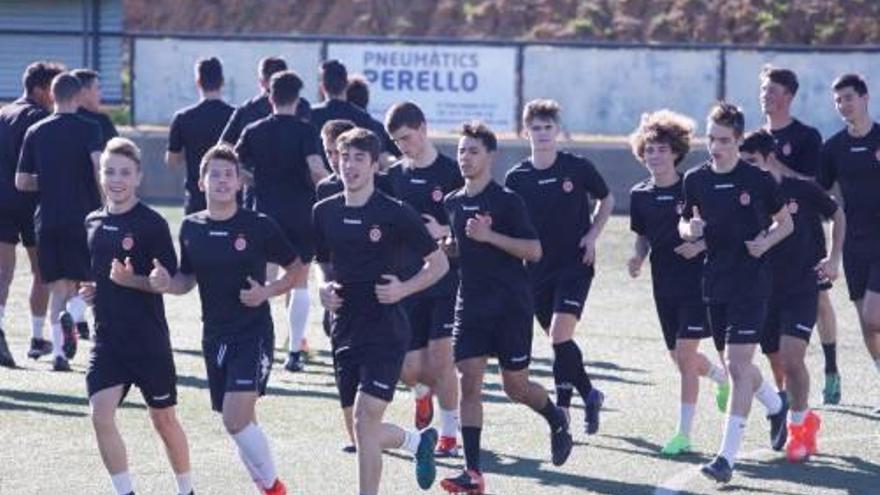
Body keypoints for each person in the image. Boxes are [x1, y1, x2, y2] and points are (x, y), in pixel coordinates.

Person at [149, 145, 299, 495]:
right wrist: (166, 284)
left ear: (239, 183)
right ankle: (266, 487)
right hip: (214, 336)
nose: (221, 180)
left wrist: (267, 291)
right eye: (213, 174)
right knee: (242, 421)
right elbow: (186, 278)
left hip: (253, 333)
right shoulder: (190, 227)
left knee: (235, 420)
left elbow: (296, 268)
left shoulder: (258, 225)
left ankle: (276, 488)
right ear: (201, 182)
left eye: (227, 175)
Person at [440, 121, 572, 495]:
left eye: (473, 151)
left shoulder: (507, 201)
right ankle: (473, 474)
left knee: (515, 387)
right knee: (469, 383)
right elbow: (462, 250)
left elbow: (534, 251)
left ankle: (555, 416)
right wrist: (452, 248)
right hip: (471, 305)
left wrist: (489, 236)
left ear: (491, 157)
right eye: (461, 150)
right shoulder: (452, 202)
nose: (465, 157)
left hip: (511, 305)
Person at [313, 127, 447, 495]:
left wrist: (403, 288)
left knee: (364, 419)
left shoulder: (395, 213)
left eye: (359, 158)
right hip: (344, 328)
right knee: (360, 431)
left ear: (374, 165)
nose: (351, 165)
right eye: (345, 157)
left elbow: (438, 265)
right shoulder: (323, 211)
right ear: (335, 161)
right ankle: (417, 442)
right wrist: (323, 288)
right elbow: (322, 264)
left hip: (386, 329)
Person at [679, 103, 793, 483]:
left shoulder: (758, 181)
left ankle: (726, 458)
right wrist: (689, 230)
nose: (716, 147)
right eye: (711, 138)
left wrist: (767, 243)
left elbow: (785, 223)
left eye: (724, 140)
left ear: (739, 140)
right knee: (734, 368)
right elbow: (684, 222)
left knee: (740, 366)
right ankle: (777, 406)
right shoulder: (695, 179)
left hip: (752, 283)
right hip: (716, 282)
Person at [81, 137, 194, 495]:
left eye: (125, 173)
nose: (117, 179)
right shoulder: (92, 222)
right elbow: (98, 276)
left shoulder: (152, 224)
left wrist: (142, 281)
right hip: (108, 340)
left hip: (148, 342)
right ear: (101, 176)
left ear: (138, 177)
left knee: (163, 420)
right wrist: (92, 292)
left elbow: (170, 279)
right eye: (110, 171)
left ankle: (186, 489)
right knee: (101, 414)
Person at [627, 110, 729, 456]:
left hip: (698, 283)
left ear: (676, 152)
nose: (654, 155)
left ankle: (683, 433)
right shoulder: (639, 194)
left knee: (685, 356)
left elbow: (720, 231)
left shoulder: (693, 187)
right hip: (663, 285)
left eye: (661, 149)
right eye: (649, 150)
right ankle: (719, 376)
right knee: (678, 357)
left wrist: (699, 245)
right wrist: (638, 257)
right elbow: (642, 237)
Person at [504, 99, 610, 433]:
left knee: (560, 335)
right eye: (536, 128)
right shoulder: (516, 177)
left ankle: (562, 410)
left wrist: (592, 235)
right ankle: (590, 394)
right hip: (535, 272)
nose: (543, 134)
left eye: (548, 127)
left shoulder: (576, 167)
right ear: (526, 132)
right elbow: (511, 225)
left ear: (558, 130)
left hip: (575, 265)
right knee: (558, 341)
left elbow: (606, 199)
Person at [740, 129, 844, 462]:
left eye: (752, 162)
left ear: (769, 158)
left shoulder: (799, 189)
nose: (747, 169)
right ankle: (796, 412)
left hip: (801, 287)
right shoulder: (746, 195)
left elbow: (837, 213)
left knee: (791, 358)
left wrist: (833, 257)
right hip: (761, 290)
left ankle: (799, 430)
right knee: (776, 360)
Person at [234, 70, 327, 373]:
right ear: (298, 99)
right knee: (298, 281)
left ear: (269, 97)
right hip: (300, 214)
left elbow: (233, 165)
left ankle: (257, 345)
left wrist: (255, 181)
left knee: (262, 280)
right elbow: (315, 169)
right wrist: (333, 185)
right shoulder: (306, 131)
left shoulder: (254, 129)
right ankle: (294, 353)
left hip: (264, 214)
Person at [385, 101, 463, 457]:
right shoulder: (395, 177)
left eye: (407, 138)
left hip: (447, 281)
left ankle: (449, 433)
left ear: (423, 128)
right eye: (397, 141)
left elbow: (474, 223)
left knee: (441, 359)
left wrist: (445, 229)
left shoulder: (452, 172)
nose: (403, 146)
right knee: (410, 370)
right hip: (408, 282)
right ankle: (421, 394)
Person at [758, 65, 841, 404]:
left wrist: (778, 168)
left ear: (789, 97)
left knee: (820, 299)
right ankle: (786, 394)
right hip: (772, 243)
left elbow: (818, 187)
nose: (766, 96)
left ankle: (832, 369)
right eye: (763, 90)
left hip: (806, 234)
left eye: (773, 91)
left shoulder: (807, 137)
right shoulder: (756, 139)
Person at [15, 72, 103, 372]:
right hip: (84, 216)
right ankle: (75, 313)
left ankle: (59, 356)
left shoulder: (36, 131)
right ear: (78, 96)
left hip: (48, 218)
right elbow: (97, 167)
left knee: (57, 288)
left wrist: (51, 180)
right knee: (90, 279)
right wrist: (107, 202)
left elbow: (22, 181)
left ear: (52, 96)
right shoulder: (91, 127)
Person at [818, 73, 880, 414]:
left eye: (849, 98)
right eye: (838, 100)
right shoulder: (833, 148)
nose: (843, 105)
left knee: (874, 317)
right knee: (867, 325)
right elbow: (821, 194)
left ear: (865, 98)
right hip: (854, 244)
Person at [0, 60, 63, 366]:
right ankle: (37, 337)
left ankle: (6, 331)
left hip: (1, 202)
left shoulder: (2, 113)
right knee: (43, 271)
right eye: (52, 89)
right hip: (31, 203)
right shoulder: (41, 119)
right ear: (39, 90)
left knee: (3, 274)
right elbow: (46, 168)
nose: (55, 96)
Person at [166, 56, 234, 214]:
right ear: (222, 82)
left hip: (197, 197)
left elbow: (172, 161)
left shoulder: (183, 118)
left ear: (198, 82)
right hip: (229, 198)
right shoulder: (235, 116)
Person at [310, 60, 397, 165]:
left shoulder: (311, 116)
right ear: (346, 84)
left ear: (322, 87)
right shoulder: (362, 118)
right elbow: (381, 157)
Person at [72, 68, 119, 147]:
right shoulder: (101, 122)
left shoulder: (58, 121)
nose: (100, 94)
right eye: (98, 88)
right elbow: (118, 153)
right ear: (84, 92)